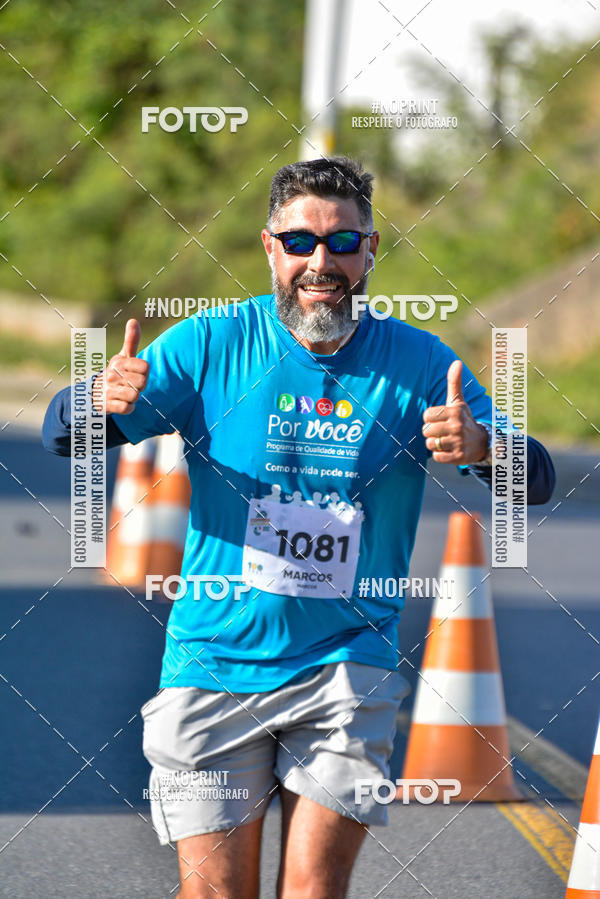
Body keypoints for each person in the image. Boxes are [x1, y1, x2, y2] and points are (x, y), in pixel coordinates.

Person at [43, 156, 555, 899]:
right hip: (215, 661)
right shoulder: (214, 342)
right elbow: (68, 436)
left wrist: (482, 447)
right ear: (269, 246)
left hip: (346, 664)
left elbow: (533, 478)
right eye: (301, 241)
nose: (322, 262)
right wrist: (94, 396)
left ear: (372, 250)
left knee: (314, 889)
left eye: (344, 243)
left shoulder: (417, 362)